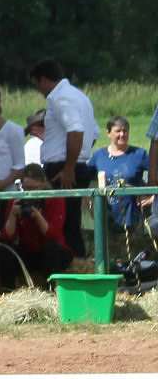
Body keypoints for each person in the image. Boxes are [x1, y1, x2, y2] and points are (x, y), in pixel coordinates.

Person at [31, 58, 99, 257]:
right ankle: (78, 265)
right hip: (75, 163)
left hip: (63, 168)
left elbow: (76, 131)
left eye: (37, 84)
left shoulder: (58, 98)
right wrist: (79, 155)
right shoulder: (80, 97)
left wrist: (68, 168)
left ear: (43, 80)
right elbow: (92, 133)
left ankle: (70, 267)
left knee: (60, 223)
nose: (39, 90)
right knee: (70, 222)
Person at [89, 115, 151, 273]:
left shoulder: (139, 154)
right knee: (109, 258)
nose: (122, 134)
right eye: (118, 131)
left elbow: (155, 176)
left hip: (133, 216)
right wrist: (87, 201)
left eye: (125, 131)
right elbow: (87, 181)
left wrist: (151, 197)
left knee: (133, 256)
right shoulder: (98, 156)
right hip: (107, 216)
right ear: (108, 133)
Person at [0, 163, 73, 291]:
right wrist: (13, 216)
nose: (30, 194)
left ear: (44, 184)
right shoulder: (16, 201)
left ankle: (52, 290)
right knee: (4, 251)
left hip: (53, 251)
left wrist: (37, 216)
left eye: (35, 189)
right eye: (27, 189)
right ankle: (7, 292)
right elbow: (7, 236)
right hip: (29, 251)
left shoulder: (55, 198)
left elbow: (53, 235)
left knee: (51, 248)